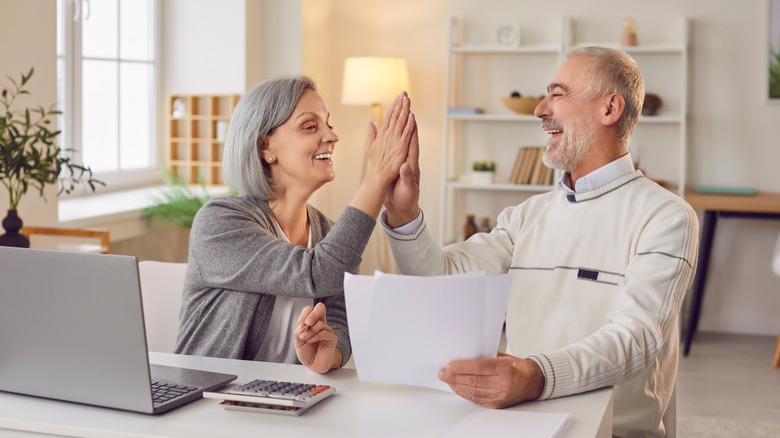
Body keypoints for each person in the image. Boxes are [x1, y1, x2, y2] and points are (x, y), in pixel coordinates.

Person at [381, 46, 699, 437]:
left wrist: (534, 376)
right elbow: (444, 278)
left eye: (558, 93)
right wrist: (402, 213)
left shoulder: (667, 216)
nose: (539, 110)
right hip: (518, 422)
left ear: (609, 109)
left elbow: (636, 337)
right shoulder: (526, 215)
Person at [176, 75, 416, 373]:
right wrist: (376, 178)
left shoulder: (327, 232)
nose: (331, 136)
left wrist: (331, 352)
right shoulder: (220, 221)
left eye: (330, 125)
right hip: (209, 400)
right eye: (311, 126)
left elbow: (339, 319)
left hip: (288, 400)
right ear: (266, 147)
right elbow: (318, 272)